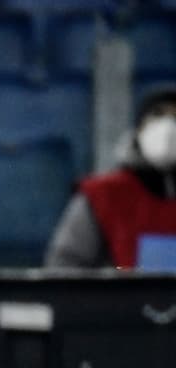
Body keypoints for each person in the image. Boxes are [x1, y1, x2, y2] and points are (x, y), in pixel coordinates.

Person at [46, 85, 176, 268]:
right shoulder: (103, 195)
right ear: (139, 131)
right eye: (157, 115)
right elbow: (66, 266)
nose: (169, 128)